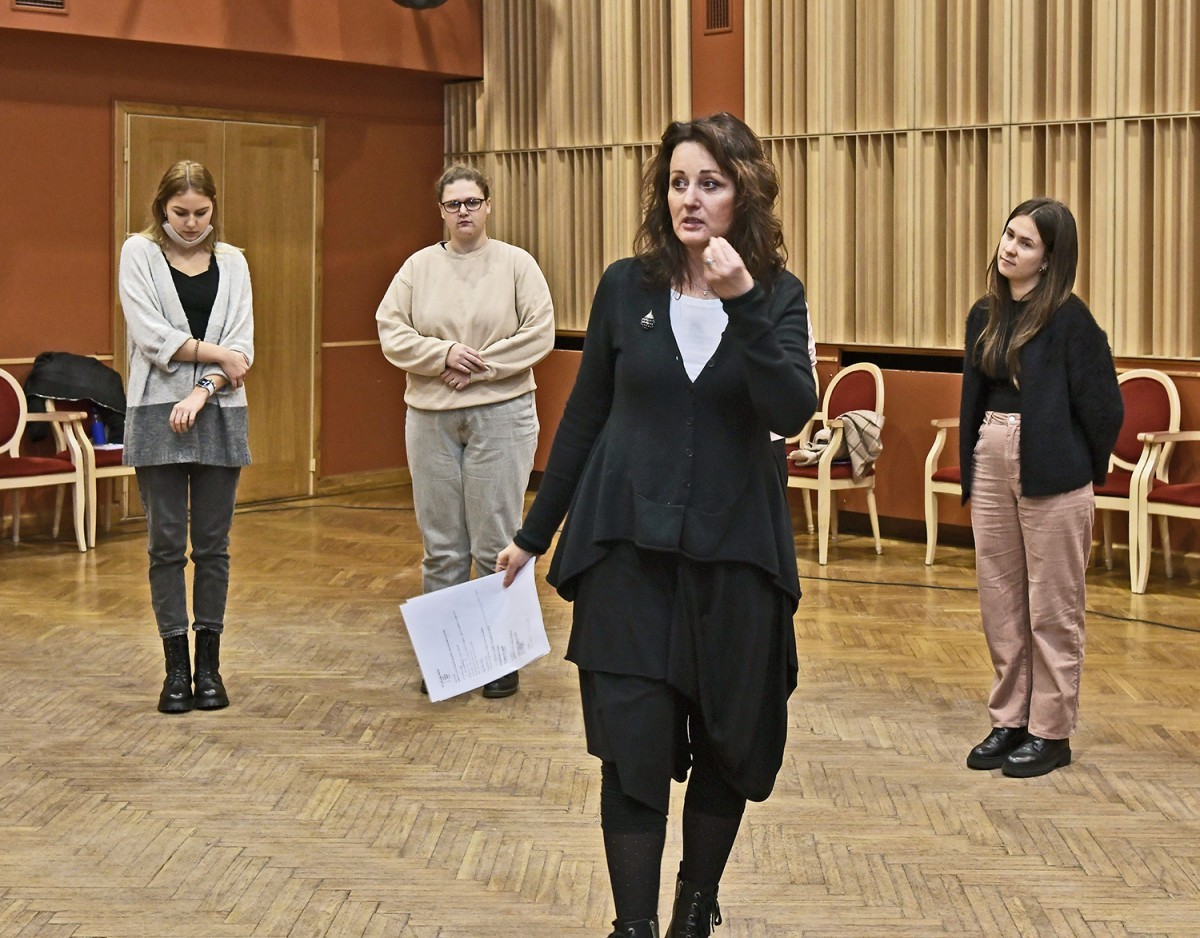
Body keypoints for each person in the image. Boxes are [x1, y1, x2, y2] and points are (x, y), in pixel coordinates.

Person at [496, 113, 817, 938]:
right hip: (627, 557)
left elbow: (790, 408)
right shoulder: (624, 287)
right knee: (631, 750)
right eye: (678, 182)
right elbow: (585, 417)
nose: (690, 198)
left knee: (727, 745)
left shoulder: (777, 296)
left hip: (735, 561)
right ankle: (632, 927)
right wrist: (533, 533)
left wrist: (742, 300)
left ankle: (693, 912)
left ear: (744, 193)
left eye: (710, 182)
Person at [376, 164, 554, 699]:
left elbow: (539, 333)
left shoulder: (517, 264)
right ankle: (446, 658)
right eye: (453, 204)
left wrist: (475, 367)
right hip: (430, 417)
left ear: (488, 205)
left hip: (502, 414)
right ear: (441, 211)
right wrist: (442, 354)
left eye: (472, 202)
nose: (463, 212)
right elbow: (391, 330)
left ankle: (500, 656)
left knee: (496, 540)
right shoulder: (418, 267)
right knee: (442, 546)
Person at [959, 198, 1122, 778]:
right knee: (1000, 600)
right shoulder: (985, 313)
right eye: (1009, 235)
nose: (1009, 248)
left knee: (1053, 607)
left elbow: (1104, 408)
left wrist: (1081, 466)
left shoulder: (1071, 321)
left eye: (1025, 243)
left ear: (1049, 259)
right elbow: (975, 395)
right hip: (991, 454)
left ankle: (1050, 732)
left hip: (1053, 467)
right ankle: (1010, 719)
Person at [119, 159, 254, 714]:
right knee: (166, 545)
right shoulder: (138, 252)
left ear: (214, 207)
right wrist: (217, 354)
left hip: (219, 410)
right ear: (162, 208)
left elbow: (242, 350)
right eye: (181, 213)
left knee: (214, 547)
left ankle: (209, 669)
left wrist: (202, 389)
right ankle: (176, 671)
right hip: (155, 411)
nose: (192, 223)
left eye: (201, 212)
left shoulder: (234, 262)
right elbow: (151, 336)